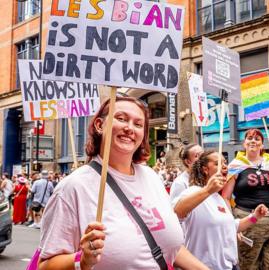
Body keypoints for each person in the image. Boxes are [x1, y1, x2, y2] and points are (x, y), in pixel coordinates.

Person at [37, 96, 208, 270]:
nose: (129, 128)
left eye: (138, 124)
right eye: (121, 118)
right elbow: (44, 266)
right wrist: (81, 260)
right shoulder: (73, 187)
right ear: (99, 125)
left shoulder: (152, 177)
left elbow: (167, 246)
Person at [174, 150, 269, 269]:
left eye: (225, 162)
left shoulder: (218, 198)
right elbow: (176, 212)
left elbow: (230, 227)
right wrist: (207, 190)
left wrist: (254, 217)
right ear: (205, 169)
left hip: (230, 266)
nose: (224, 166)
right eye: (217, 163)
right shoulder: (193, 192)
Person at [222, 129, 269, 270]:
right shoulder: (235, 166)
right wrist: (234, 225)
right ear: (244, 143)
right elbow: (225, 197)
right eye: (249, 138)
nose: (253, 141)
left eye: (257, 139)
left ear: (262, 145)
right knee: (249, 266)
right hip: (248, 220)